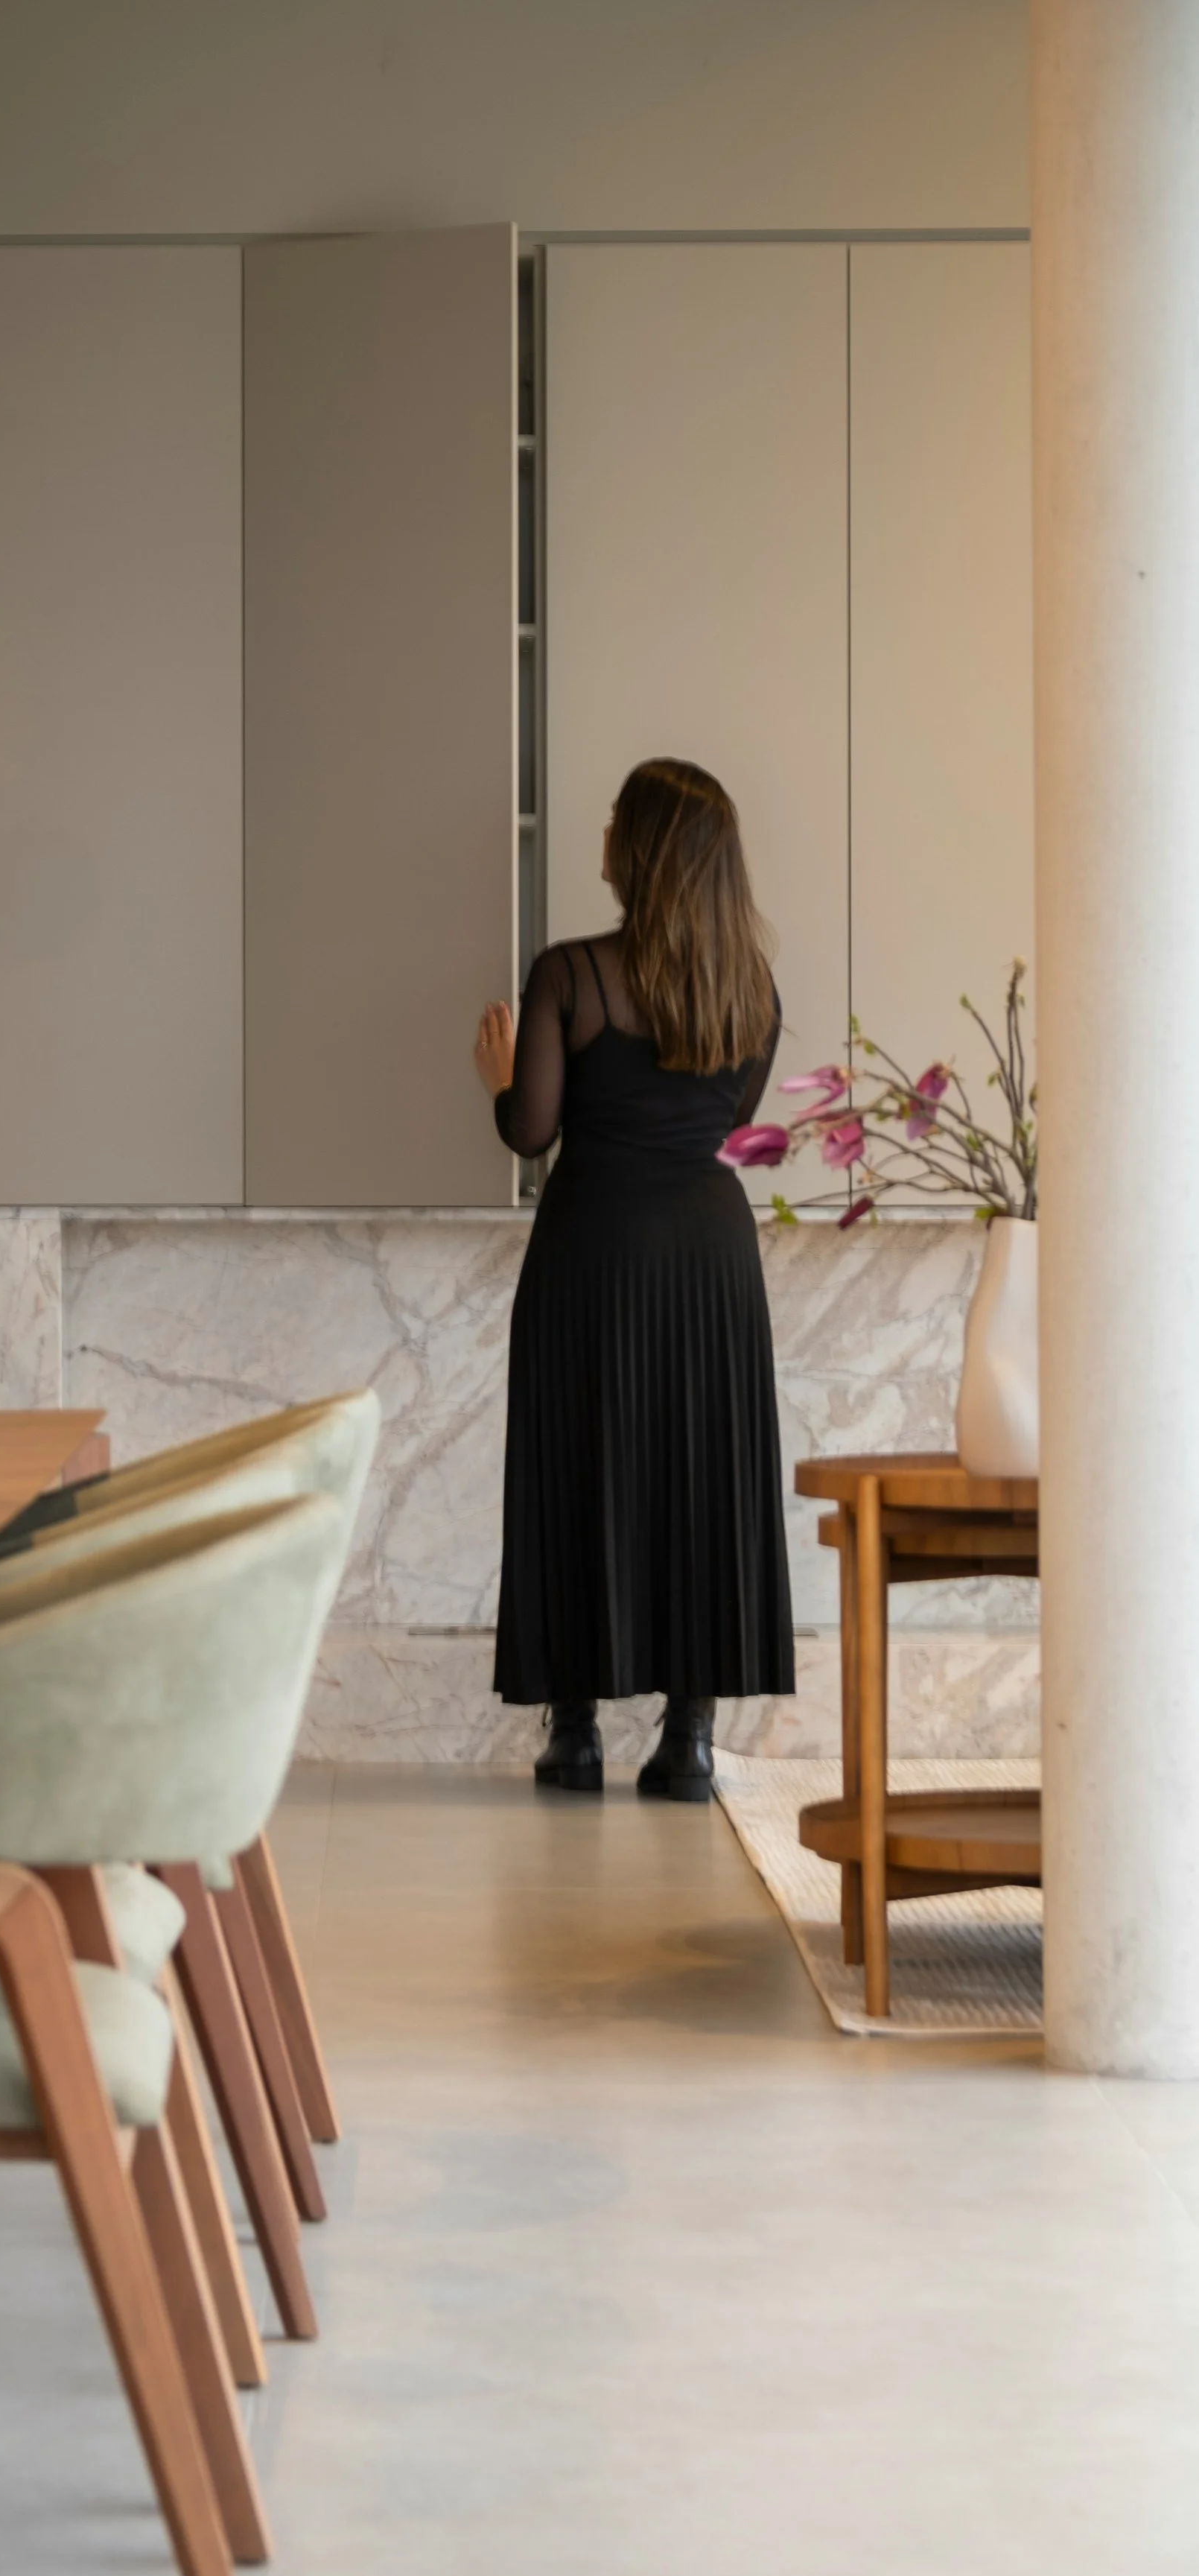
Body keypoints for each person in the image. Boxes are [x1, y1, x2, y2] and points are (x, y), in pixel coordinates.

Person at [473, 757, 795, 1799]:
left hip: (594, 1246)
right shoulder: (752, 993)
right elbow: (728, 1120)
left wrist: (499, 1079)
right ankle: (689, 1738)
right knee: (700, 1475)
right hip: (709, 1257)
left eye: (618, 821)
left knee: (580, 1461)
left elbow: (532, 1129)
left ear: (643, 851)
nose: (604, 834)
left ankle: (574, 1733)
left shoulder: (569, 975)